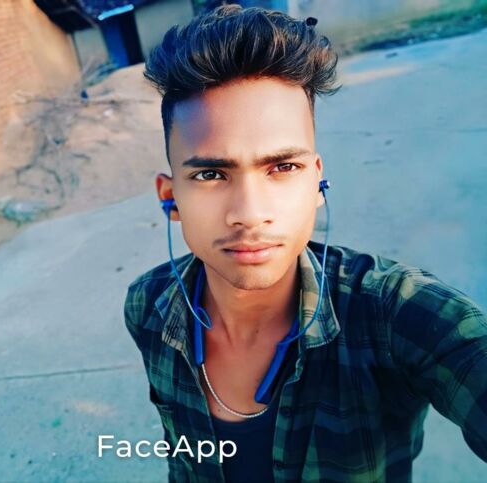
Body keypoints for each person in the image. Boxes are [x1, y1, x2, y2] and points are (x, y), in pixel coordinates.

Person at [123, 5, 487, 482]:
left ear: (317, 182)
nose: (250, 213)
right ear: (170, 197)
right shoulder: (148, 306)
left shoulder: (394, 315)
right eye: (211, 174)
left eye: (282, 167)